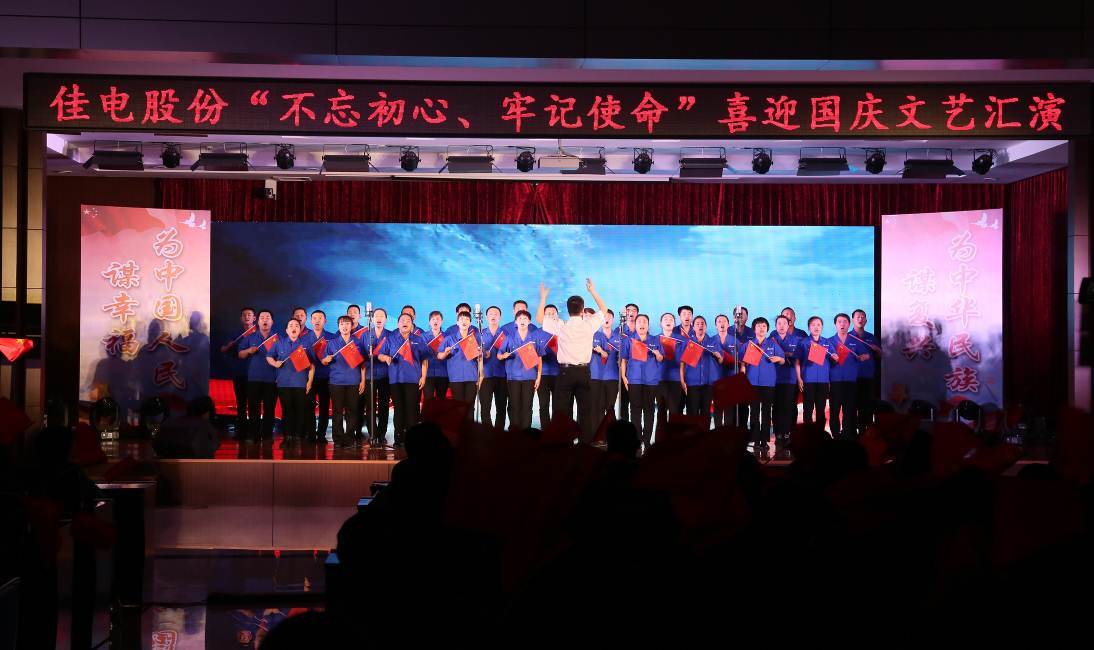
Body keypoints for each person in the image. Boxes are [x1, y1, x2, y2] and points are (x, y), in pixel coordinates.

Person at [537, 278, 609, 440]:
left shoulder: (561, 325)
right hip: (584, 372)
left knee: (563, 412)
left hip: (565, 373)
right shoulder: (588, 325)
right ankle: (585, 446)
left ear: (568, 310)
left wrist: (543, 298)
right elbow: (604, 310)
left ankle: (565, 445)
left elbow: (540, 319)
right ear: (583, 310)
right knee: (585, 412)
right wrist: (592, 291)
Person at [377, 313, 428, 447]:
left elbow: (424, 359)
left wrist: (423, 376)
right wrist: (386, 358)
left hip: (413, 379)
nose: (405, 322)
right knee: (399, 409)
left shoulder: (418, 339)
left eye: (408, 320)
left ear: (412, 324)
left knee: (412, 409)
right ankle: (398, 437)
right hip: (396, 379)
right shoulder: (391, 339)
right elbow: (380, 355)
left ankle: (412, 438)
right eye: (402, 320)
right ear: (398, 324)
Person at [740, 317, 785, 452]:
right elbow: (741, 360)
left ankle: (764, 440)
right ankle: (755, 439)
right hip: (752, 382)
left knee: (766, 411)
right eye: (759, 326)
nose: (761, 328)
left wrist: (778, 358)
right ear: (754, 329)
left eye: (764, 326)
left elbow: (783, 360)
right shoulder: (748, 344)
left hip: (768, 382)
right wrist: (743, 367)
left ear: (767, 329)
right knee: (754, 411)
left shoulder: (772, 344)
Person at [267, 318, 315, 445]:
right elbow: (269, 356)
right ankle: (287, 436)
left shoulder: (305, 344)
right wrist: (275, 363)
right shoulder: (279, 343)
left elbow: (312, 365)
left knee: (300, 410)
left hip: (300, 383)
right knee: (287, 410)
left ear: (300, 330)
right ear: (287, 330)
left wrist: (309, 382)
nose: (294, 328)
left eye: (297, 326)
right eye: (291, 326)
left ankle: (297, 437)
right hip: (283, 383)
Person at [620, 314, 664, 449]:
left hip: (651, 380)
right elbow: (624, 360)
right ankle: (637, 441)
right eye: (639, 321)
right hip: (634, 379)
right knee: (635, 410)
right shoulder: (629, 340)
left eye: (644, 321)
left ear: (648, 325)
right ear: (635, 324)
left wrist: (658, 354)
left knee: (649, 410)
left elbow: (661, 359)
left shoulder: (655, 340)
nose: (642, 324)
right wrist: (624, 377)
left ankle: (647, 440)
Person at [322, 315, 366, 449]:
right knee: (337, 411)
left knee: (352, 411)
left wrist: (363, 380)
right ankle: (338, 438)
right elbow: (324, 361)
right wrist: (326, 360)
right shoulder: (332, 343)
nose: (344, 326)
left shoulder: (357, 343)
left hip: (353, 381)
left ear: (351, 326)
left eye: (347, 324)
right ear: (338, 327)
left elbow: (363, 364)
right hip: (336, 382)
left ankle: (349, 437)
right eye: (341, 324)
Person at [496, 309, 541, 431]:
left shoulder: (534, 338)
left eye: (525, 318)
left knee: (527, 406)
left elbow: (539, 357)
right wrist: (503, 355)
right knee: (514, 406)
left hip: (530, 376)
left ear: (529, 321)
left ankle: (526, 433)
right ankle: (515, 433)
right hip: (513, 377)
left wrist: (538, 376)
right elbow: (499, 355)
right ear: (515, 322)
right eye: (520, 319)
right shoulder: (509, 338)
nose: (522, 321)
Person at [829, 312, 871, 440]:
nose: (842, 324)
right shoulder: (829, 341)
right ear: (835, 325)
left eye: (845, 322)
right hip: (835, 381)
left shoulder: (855, 341)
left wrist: (863, 357)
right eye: (839, 322)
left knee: (849, 410)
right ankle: (835, 435)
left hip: (851, 381)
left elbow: (867, 355)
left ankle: (847, 435)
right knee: (834, 410)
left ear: (849, 324)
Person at [238, 309, 278, 442]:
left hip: (272, 380)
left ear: (272, 322)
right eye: (262, 317)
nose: (265, 320)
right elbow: (240, 354)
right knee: (253, 408)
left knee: (269, 409)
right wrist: (249, 350)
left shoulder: (277, 339)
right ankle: (253, 435)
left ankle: (267, 436)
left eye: (268, 317)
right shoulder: (250, 337)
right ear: (258, 321)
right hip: (253, 379)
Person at [680, 316, 724, 430]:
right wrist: (682, 380)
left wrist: (719, 356)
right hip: (692, 383)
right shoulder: (688, 342)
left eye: (702, 323)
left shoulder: (713, 341)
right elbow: (682, 363)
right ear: (693, 327)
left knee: (706, 413)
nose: (700, 326)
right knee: (692, 412)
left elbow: (721, 361)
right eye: (698, 324)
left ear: (706, 327)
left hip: (708, 384)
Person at [300, 309, 335, 443]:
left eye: (320, 318)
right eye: (314, 318)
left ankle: (321, 434)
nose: (317, 320)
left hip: (326, 376)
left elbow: (335, 356)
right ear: (311, 321)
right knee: (308, 406)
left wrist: (330, 358)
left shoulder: (331, 337)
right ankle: (310, 433)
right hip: (309, 378)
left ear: (325, 321)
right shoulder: (303, 338)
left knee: (324, 407)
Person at [219, 306, 255, 436]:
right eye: (244, 315)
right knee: (241, 403)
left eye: (249, 314)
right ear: (241, 318)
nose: (247, 317)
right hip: (240, 372)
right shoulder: (236, 334)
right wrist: (230, 345)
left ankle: (254, 431)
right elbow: (223, 349)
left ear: (254, 318)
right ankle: (242, 432)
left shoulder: (259, 333)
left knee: (254, 403)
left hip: (255, 374)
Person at [770, 314, 804, 449]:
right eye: (779, 323)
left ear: (789, 324)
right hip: (774, 378)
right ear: (775, 326)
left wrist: (799, 378)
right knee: (777, 406)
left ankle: (788, 433)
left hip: (790, 378)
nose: (782, 326)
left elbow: (798, 361)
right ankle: (778, 433)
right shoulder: (771, 340)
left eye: (784, 323)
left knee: (790, 406)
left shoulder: (795, 340)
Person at [436, 311, 481, 407]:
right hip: (455, 378)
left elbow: (480, 358)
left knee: (470, 408)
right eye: (461, 319)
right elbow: (439, 356)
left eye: (467, 319)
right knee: (459, 408)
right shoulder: (449, 339)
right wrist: (445, 353)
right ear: (457, 323)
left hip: (472, 377)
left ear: (470, 323)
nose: (464, 321)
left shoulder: (474, 338)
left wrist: (481, 375)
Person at [361, 308, 392, 447]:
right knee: (370, 406)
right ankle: (372, 434)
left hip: (386, 375)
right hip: (370, 375)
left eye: (381, 316)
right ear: (372, 319)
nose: (379, 318)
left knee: (384, 406)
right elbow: (361, 357)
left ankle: (382, 434)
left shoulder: (390, 335)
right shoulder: (366, 335)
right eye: (376, 316)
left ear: (386, 319)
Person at [153, 396, 220, 459]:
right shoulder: (205, 426)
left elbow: (157, 445)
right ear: (207, 412)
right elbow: (214, 445)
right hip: (198, 465)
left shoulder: (168, 423)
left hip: (167, 464)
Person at [800, 316, 835, 432]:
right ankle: (807, 433)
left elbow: (834, 357)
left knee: (821, 409)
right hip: (808, 380)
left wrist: (835, 357)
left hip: (823, 381)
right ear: (809, 327)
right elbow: (796, 361)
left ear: (822, 327)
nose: (816, 327)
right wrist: (799, 378)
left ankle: (820, 434)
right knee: (808, 409)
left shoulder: (827, 342)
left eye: (818, 325)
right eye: (813, 325)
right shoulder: (803, 342)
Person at [851, 308, 882, 435]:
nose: (860, 319)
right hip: (852, 378)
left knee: (867, 406)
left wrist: (877, 350)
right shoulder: (847, 337)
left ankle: (866, 433)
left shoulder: (871, 337)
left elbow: (880, 356)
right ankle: (851, 432)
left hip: (868, 377)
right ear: (853, 320)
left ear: (866, 321)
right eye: (858, 317)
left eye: (863, 317)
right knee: (852, 405)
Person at [655, 313, 687, 434]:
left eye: (671, 319)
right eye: (665, 319)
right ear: (661, 323)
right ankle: (660, 438)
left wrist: (683, 380)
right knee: (661, 412)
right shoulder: (655, 339)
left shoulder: (682, 340)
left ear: (674, 323)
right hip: (659, 379)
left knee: (675, 411)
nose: (668, 321)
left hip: (676, 379)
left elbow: (685, 361)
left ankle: (674, 438)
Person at [591, 310, 622, 432]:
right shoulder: (593, 335)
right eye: (604, 316)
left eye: (609, 316)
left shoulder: (619, 338)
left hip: (612, 377)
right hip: (596, 377)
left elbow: (624, 358)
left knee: (610, 408)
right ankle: (598, 436)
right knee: (597, 408)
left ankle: (611, 435)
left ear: (613, 319)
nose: (606, 319)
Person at [478, 306, 508, 430]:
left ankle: (498, 434)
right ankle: (487, 434)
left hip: (503, 375)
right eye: (490, 314)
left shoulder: (505, 334)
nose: (493, 316)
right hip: (485, 375)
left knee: (501, 408)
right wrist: (481, 354)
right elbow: (474, 354)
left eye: (496, 314)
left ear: (500, 317)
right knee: (485, 408)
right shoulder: (479, 335)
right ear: (486, 317)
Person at [534, 302, 561, 427]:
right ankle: (545, 430)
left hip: (559, 374)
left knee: (558, 406)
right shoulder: (536, 333)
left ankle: (556, 430)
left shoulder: (562, 331)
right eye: (547, 314)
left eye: (553, 313)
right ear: (543, 316)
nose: (550, 316)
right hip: (542, 375)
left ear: (557, 315)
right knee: (543, 405)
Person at [423, 311, 450, 401]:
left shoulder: (447, 337)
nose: (435, 321)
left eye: (438, 319)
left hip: (443, 373)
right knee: (428, 401)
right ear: (429, 322)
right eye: (433, 319)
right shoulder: (423, 337)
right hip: (428, 373)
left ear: (441, 321)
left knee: (441, 401)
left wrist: (446, 352)